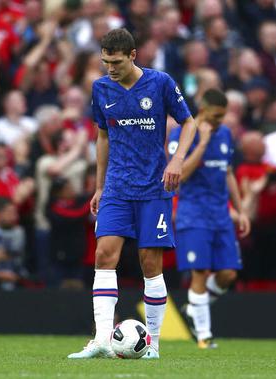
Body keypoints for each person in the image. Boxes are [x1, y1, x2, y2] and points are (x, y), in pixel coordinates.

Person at [67, 28, 198, 359]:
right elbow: (103, 137)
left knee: (149, 263)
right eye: (105, 61)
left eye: (115, 61)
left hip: (154, 187)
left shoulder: (160, 83)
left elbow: (190, 123)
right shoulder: (101, 88)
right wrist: (98, 186)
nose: (110, 68)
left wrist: (178, 160)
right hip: (116, 187)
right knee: (103, 256)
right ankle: (100, 339)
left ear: (132, 56)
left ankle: (152, 343)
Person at [168, 89, 251, 349]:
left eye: (222, 117)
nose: (218, 122)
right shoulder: (182, 133)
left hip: (221, 215)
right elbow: (179, 177)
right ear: (202, 109)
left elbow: (227, 173)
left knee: (228, 274)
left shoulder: (225, 134)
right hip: (193, 214)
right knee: (200, 272)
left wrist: (240, 210)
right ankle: (204, 336)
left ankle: (194, 308)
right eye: (215, 116)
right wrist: (202, 142)